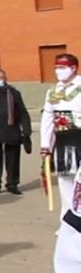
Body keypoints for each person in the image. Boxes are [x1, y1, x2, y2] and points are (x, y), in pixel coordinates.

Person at [43, 54, 81, 220]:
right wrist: (45, 144)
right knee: (65, 181)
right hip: (63, 141)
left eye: (62, 67)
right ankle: (67, 222)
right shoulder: (54, 90)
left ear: (73, 68)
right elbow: (47, 118)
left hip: (79, 137)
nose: (58, 71)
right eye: (57, 67)